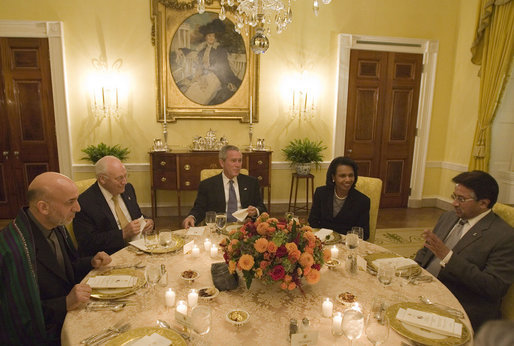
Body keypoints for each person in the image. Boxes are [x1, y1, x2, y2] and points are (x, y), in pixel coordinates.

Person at [1, 172, 111, 344]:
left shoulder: (55, 224)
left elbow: (64, 270)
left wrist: (90, 261)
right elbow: (17, 318)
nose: (78, 208)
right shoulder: (13, 250)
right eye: (70, 202)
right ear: (43, 207)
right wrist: (65, 303)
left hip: (69, 315)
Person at [414, 170, 514, 331]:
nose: (454, 203)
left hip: (461, 305)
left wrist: (448, 257)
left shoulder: (504, 236)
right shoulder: (448, 217)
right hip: (423, 290)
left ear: (483, 203)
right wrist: (409, 272)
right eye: (454, 197)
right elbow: (426, 252)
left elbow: (494, 287)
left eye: (461, 199)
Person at [73, 156, 154, 256]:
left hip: (138, 249)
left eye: (125, 176)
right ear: (102, 179)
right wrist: (123, 234)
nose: (124, 181)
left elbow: (137, 215)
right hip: (110, 257)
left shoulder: (128, 189)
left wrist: (148, 221)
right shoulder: (85, 202)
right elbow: (87, 242)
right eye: (119, 178)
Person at [182, 145, 266, 228]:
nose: (238, 165)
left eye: (239, 161)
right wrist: (191, 217)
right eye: (233, 161)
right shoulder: (207, 185)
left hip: (244, 229)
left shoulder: (251, 182)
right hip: (218, 228)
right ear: (222, 163)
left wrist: (256, 211)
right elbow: (199, 208)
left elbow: (262, 207)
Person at [182, 18, 242, 105]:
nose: (211, 38)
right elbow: (198, 65)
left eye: (213, 36)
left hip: (216, 77)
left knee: (204, 94)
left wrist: (228, 82)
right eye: (209, 35)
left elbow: (225, 68)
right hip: (203, 76)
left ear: (215, 37)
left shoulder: (220, 50)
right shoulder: (202, 51)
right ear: (206, 37)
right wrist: (200, 77)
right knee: (193, 89)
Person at [308, 156, 370, 240]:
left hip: (347, 244)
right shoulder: (321, 193)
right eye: (342, 176)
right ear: (333, 177)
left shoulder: (362, 201)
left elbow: (364, 233)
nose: (348, 180)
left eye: (351, 175)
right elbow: (313, 221)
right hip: (323, 241)